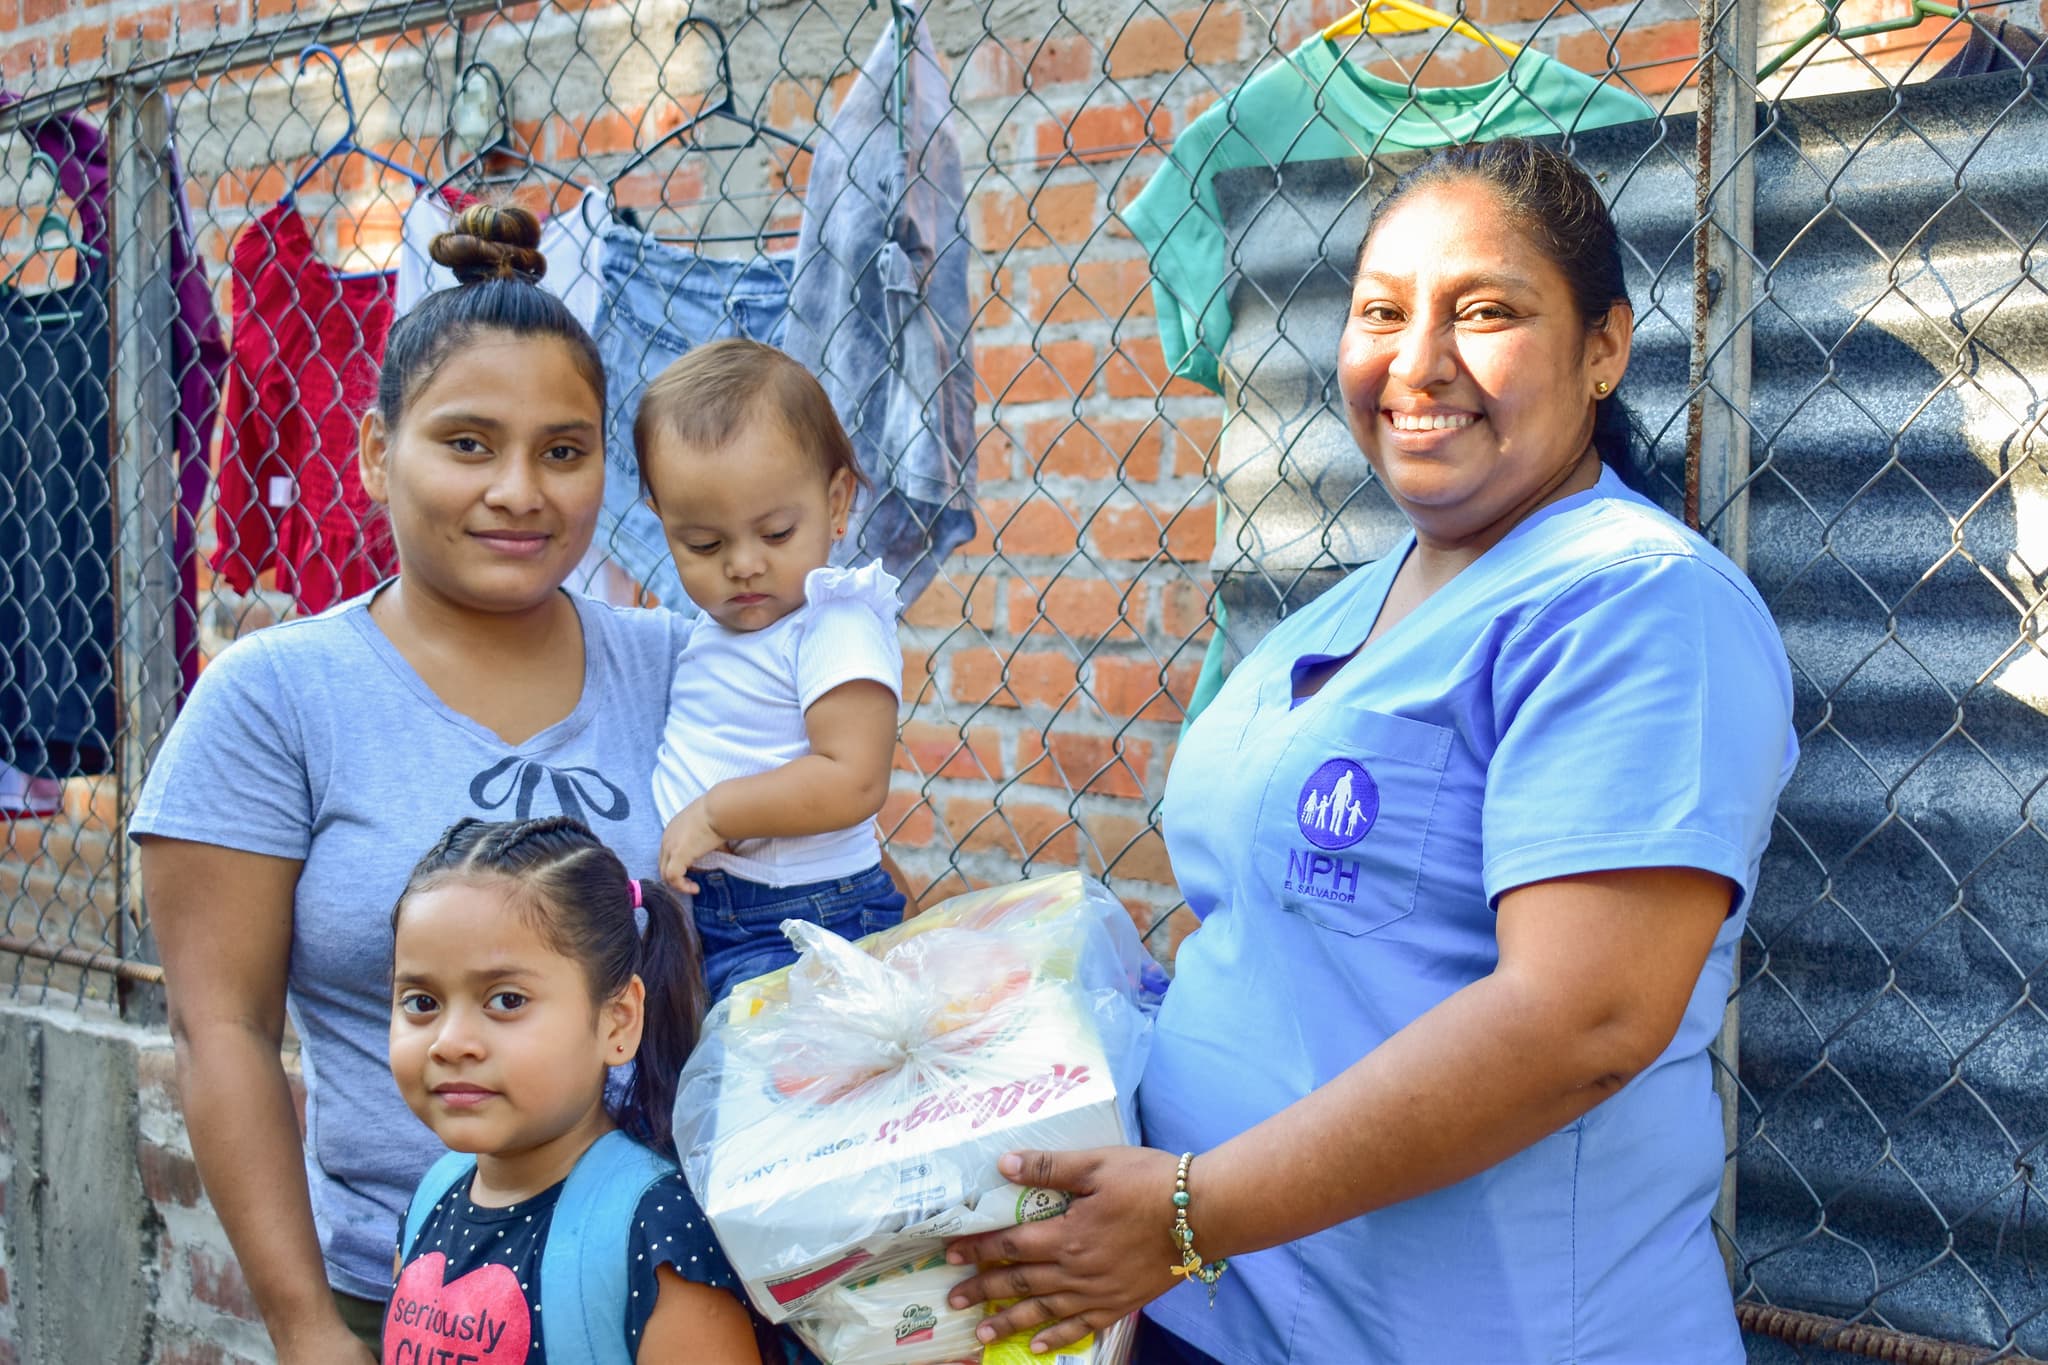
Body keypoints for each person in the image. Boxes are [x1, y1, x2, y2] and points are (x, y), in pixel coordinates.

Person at [943, 139, 1801, 1364]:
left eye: (1485, 312)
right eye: (1380, 314)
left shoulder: (1639, 606)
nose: (1416, 363)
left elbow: (1582, 1019)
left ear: (1603, 347)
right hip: (1216, 1305)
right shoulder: (1343, 610)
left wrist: (1188, 1214)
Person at [130, 204, 688, 1362]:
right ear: (379, 452)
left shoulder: (671, 666)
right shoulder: (276, 697)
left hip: (664, 1273)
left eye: (564, 451)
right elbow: (218, 1026)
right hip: (411, 1294)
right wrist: (301, 1324)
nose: (520, 492)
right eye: (469, 444)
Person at [385, 816, 761, 1363]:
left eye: (507, 1000)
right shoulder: (432, 1197)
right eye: (421, 1002)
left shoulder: (654, 1233)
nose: (450, 1042)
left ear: (617, 1021)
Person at [637, 338, 906, 1000]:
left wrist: (716, 813)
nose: (743, 564)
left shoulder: (831, 623)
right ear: (663, 525)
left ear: (837, 502)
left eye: (777, 532)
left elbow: (854, 777)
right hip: (723, 914)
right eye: (703, 542)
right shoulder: (719, 624)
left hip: (807, 915)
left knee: (780, 1087)